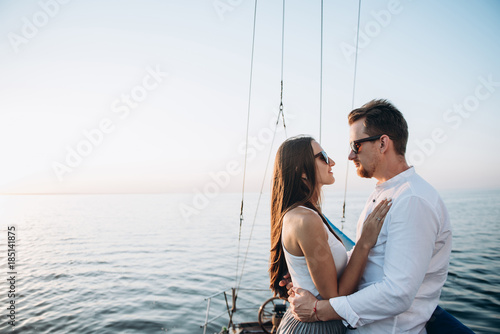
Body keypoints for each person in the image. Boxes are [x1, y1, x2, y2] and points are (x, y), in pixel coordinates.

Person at [287, 99, 453, 333]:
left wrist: (318, 309)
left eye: (356, 146)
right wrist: (305, 270)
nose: (349, 156)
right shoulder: (386, 192)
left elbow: (397, 293)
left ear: (383, 143)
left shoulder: (413, 200)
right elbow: (370, 258)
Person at [269, 135, 392, 333]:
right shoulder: (307, 220)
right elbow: (334, 298)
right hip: (316, 327)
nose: (332, 162)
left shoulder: (299, 214)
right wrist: (364, 243)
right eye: (323, 156)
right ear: (301, 171)